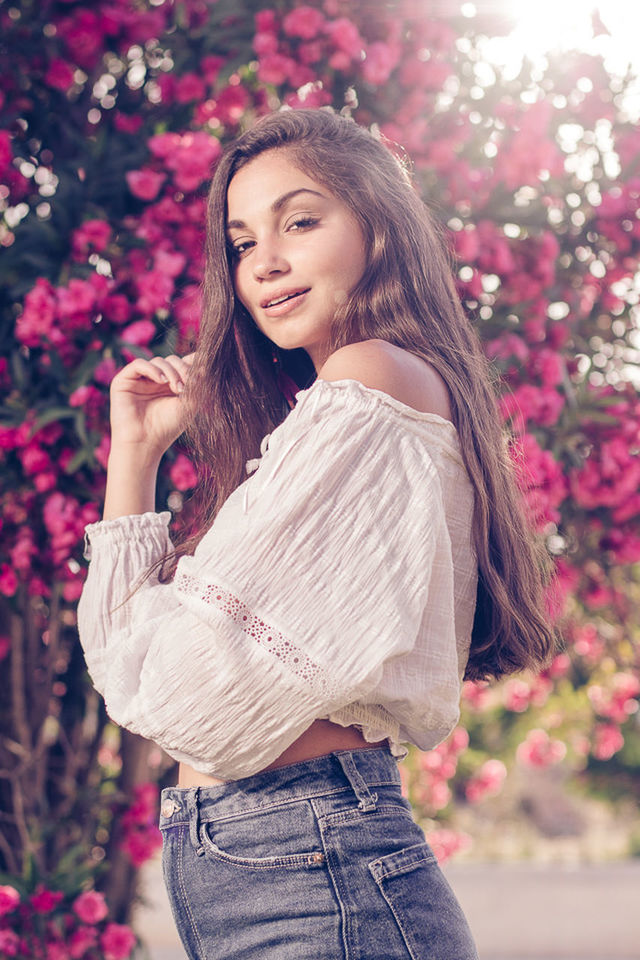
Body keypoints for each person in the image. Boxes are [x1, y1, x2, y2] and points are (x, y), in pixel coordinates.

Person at [77, 109, 554, 960]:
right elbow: (129, 670)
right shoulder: (364, 396)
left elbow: (180, 700)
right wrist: (136, 454)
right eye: (240, 240)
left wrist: (157, 646)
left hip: (318, 872)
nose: (264, 261)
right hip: (282, 861)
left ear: (377, 228)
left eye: (300, 221)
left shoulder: (370, 379)